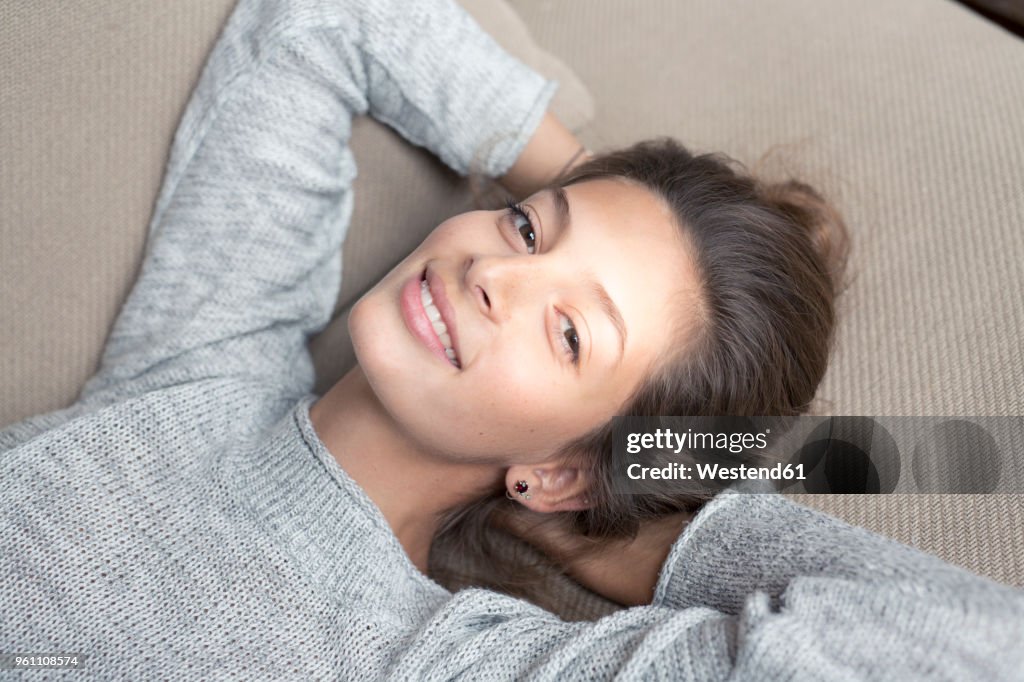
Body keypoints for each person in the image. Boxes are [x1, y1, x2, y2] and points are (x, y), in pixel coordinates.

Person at [1, 0, 1021, 678]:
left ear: (559, 471)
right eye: (528, 226)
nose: (495, 275)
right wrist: (577, 162)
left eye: (570, 332)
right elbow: (328, 15)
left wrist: (683, 509)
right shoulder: (206, 358)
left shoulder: (443, 659)